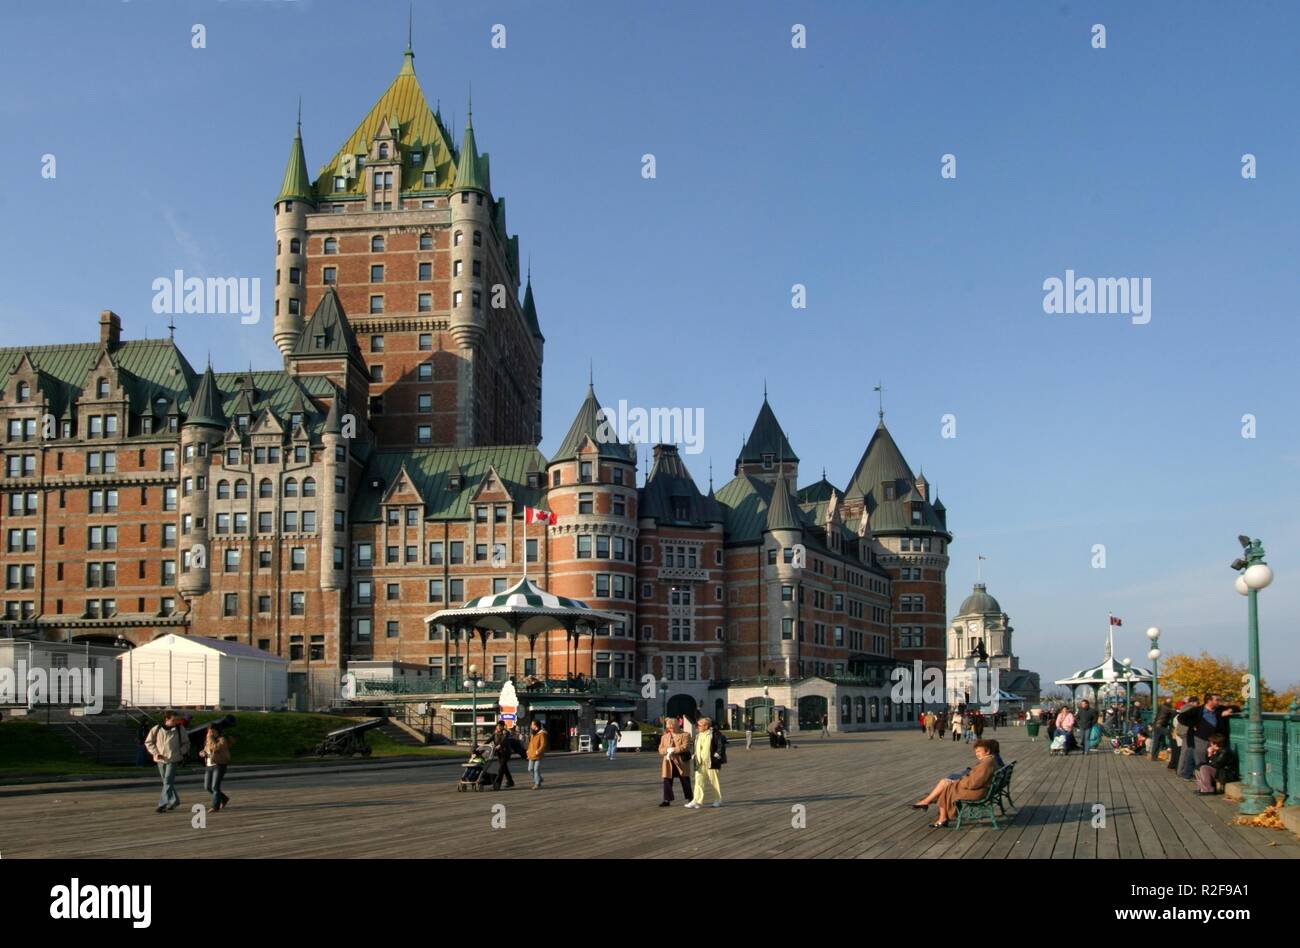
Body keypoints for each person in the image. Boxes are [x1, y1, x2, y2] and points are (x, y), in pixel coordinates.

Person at [911, 739, 999, 828]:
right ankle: (936, 811)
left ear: (987, 751)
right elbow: (975, 780)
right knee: (946, 785)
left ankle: (936, 812)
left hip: (978, 792)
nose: (977, 754)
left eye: (979, 751)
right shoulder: (989, 761)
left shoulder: (986, 763)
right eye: (976, 752)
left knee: (946, 787)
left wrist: (959, 782)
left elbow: (974, 783)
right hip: (982, 789)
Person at [1177, 693, 1233, 778]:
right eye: (1217, 700)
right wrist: (1193, 724)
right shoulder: (1198, 710)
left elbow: (1236, 708)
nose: (1219, 702)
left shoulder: (1219, 709)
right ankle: (1203, 781)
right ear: (1209, 701)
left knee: (1213, 759)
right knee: (1201, 760)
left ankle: (1208, 779)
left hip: (1214, 740)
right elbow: (1181, 717)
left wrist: (1229, 711)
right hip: (1200, 739)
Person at [145, 710, 190, 813]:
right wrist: (155, 753)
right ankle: (175, 801)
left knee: (168, 781)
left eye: (177, 720)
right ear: (166, 719)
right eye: (173, 720)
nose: (175, 722)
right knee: (166, 782)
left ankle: (162, 804)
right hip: (160, 759)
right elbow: (148, 742)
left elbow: (186, 743)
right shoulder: (156, 729)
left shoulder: (179, 729)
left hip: (173, 759)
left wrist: (181, 752)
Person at [685, 717, 725, 809]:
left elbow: (720, 745)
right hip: (699, 762)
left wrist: (717, 754)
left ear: (706, 726)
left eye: (699, 725)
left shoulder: (715, 734)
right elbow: (695, 746)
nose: (697, 727)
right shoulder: (698, 735)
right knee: (698, 782)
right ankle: (697, 801)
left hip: (711, 762)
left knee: (714, 782)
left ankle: (717, 800)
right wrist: (693, 754)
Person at [658, 718, 692, 806]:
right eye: (669, 728)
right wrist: (667, 750)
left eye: (672, 727)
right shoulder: (664, 737)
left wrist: (673, 749)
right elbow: (660, 750)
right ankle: (667, 800)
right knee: (667, 780)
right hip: (668, 762)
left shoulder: (685, 735)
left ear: (677, 726)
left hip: (681, 762)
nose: (670, 729)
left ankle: (690, 798)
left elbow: (685, 747)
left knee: (685, 780)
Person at [200, 723, 232, 812]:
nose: (210, 733)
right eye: (208, 731)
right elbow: (206, 750)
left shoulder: (222, 739)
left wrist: (210, 738)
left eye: (212, 731)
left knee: (215, 787)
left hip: (219, 765)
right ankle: (224, 798)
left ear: (216, 731)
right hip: (209, 765)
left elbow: (215, 748)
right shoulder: (208, 740)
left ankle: (215, 806)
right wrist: (203, 752)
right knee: (207, 786)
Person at [491, 723, 517, 790]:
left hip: (506, 753)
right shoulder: (495, 733)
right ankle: (510, 782)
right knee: (504, 768)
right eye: (498, 726)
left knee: (501, 769)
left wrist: (500, 745)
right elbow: (490, 739)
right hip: (499, 753)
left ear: (503, 726)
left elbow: (504, 740)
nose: (498, 727)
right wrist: (483, 746)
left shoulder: (506, 733)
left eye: (500, 726)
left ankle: (497, 784)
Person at [525, 718, 547, 789]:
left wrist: (538, 751)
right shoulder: (532, 733)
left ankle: (537, 783)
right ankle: (539, 778)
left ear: (536, 725)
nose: (531, 726)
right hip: (531, 754)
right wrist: (528, 750)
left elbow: (543, 744)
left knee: (536, 769)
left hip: (538, 755)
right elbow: (530, 743)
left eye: (532, 724)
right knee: (530, 769)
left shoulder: (541, 734)